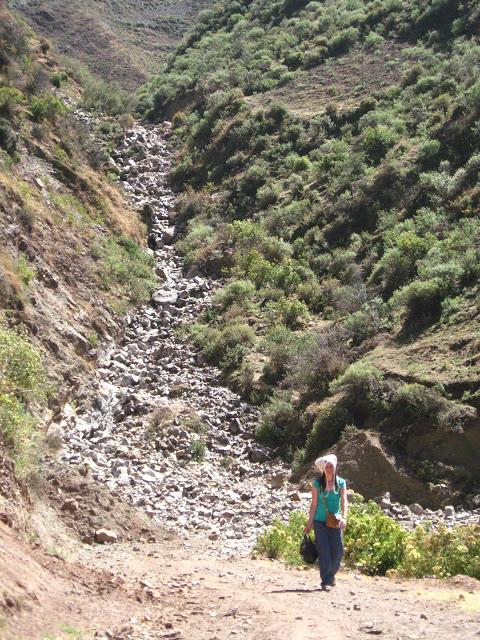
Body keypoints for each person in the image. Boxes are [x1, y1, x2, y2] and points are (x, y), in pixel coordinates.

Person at [304, 454, 348, 591]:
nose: (329, 469)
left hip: (335, 521)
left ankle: (330, 575)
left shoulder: (341, 483)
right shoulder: (317, 484)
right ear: (323, 469)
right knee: (324, 551)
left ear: (335, 467)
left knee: (338, 551)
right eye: (326, 467)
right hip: (319, 521)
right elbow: (314, 505)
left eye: (331, 466)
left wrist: (344, 517)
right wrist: (309, 523)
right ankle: (326, 581)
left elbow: (344, 501)